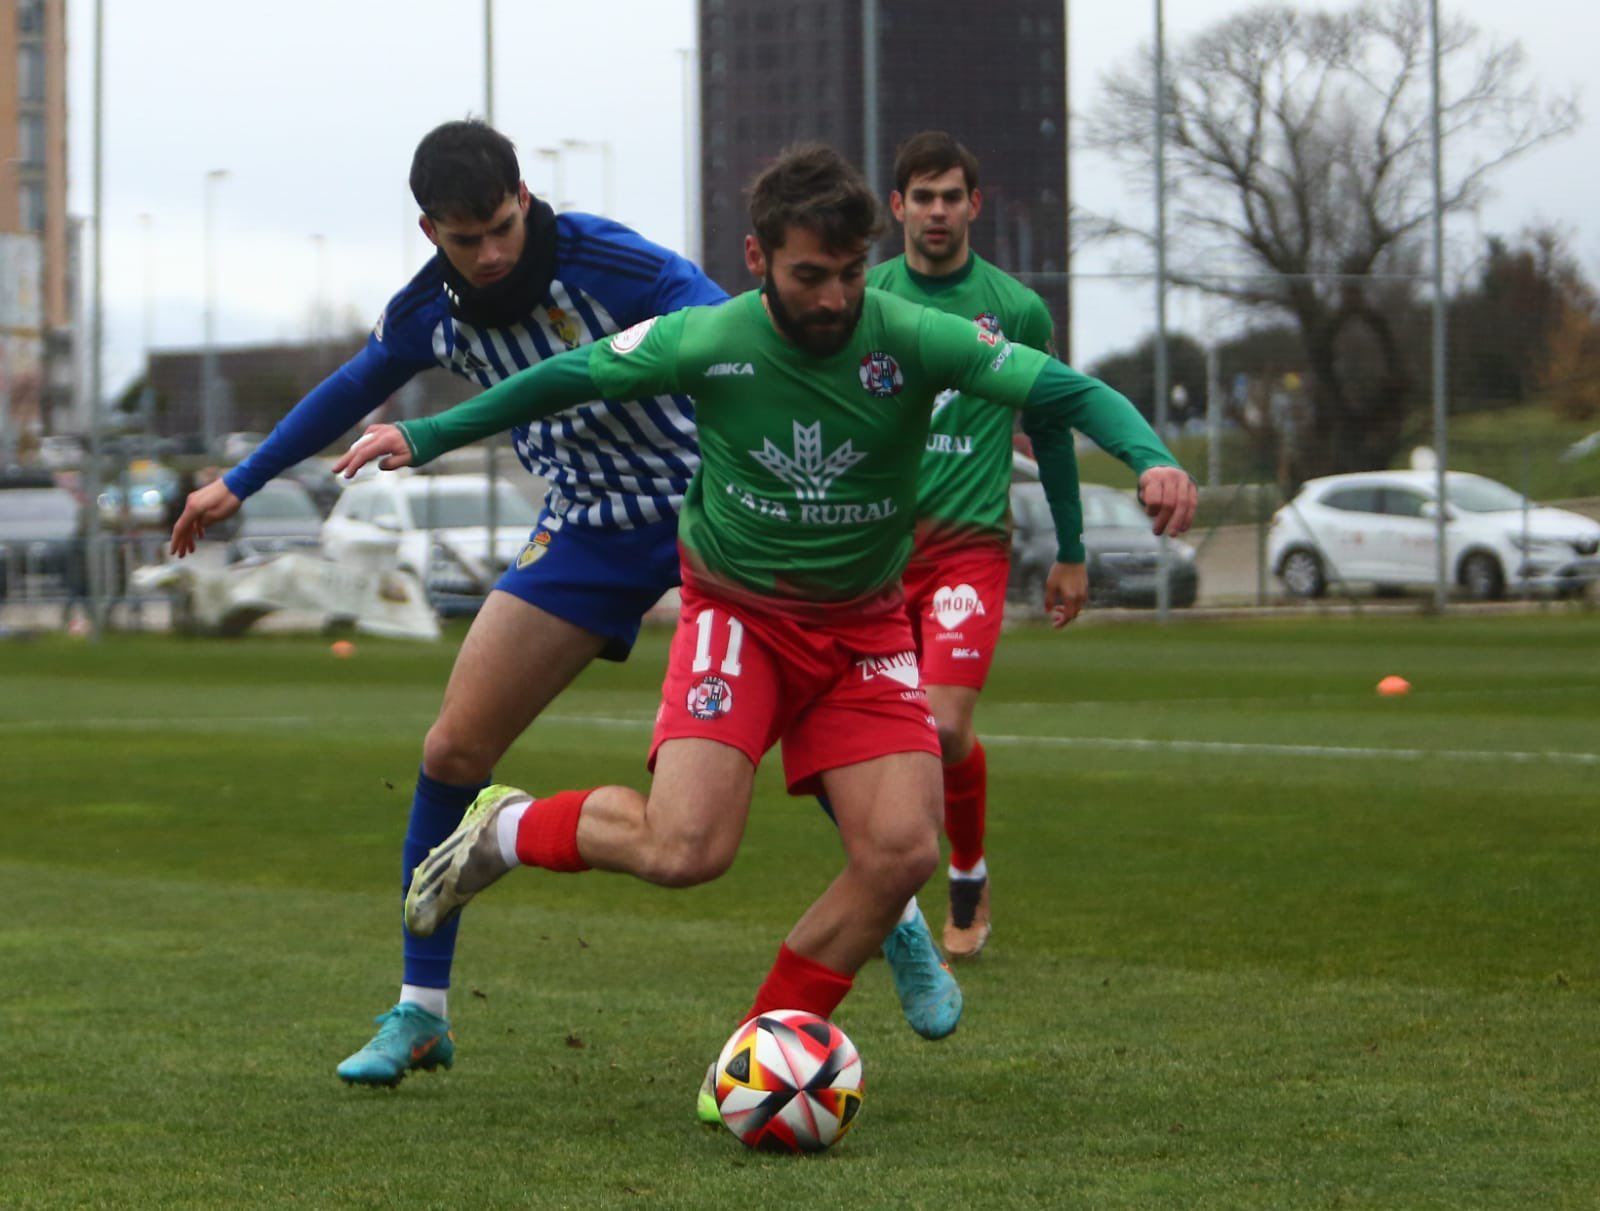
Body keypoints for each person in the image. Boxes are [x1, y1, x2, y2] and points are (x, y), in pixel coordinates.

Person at [330, 143, 1198, 1120]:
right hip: (739, 620)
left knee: (901, 851)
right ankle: (507, 826)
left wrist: (1151, 456)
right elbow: (562, 377)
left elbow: (1062, 389)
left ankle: (752, 1065)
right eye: (806, 275)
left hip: (865, 630)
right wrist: (428, 434)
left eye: (845, 273)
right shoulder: (709, 337)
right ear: (757, 258)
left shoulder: (910, 336)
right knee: (686, 848)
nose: (831, 298)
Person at [168, 119, 729, 1087]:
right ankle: (419, 1010)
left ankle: (884, 917)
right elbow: (353, 383)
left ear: (523, 195)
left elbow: (731, 328)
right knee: (452, 750)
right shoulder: (432, 308)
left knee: (802, 705)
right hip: (589, 525)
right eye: (465, 238)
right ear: (431, 230)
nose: (491, 252)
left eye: (502, 226)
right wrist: (242, 481)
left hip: (709, 506)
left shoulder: (611, 261)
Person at [872, 131, 1088, 959]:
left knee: (945, 723)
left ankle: (965, 869)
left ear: (974, 205)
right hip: (877, 552)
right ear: (897, 207)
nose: (936, 211)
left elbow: (1055, 428)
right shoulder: (868, 296)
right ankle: (896, 885)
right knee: (875, 731)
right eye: (921, 197)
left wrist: (1071, 546)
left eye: (949, 196)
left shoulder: (1018, 309)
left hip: (969, 547)